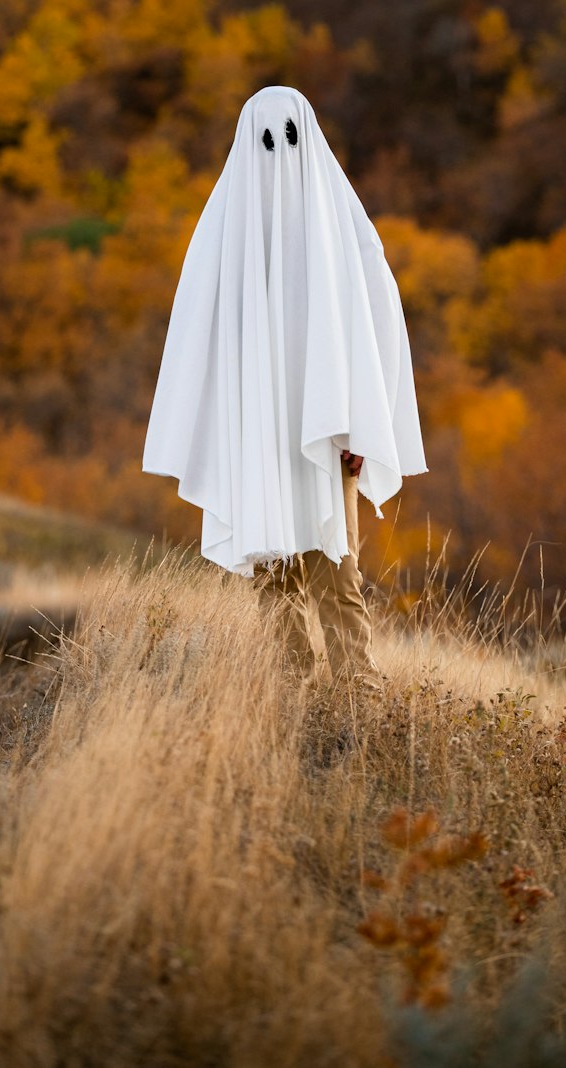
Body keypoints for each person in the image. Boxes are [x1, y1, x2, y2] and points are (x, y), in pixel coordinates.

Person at [142, 85, 425, 684]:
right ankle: (294, 696)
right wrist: (222, 429)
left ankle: (361, 697)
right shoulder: (224, 233)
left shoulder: (343, 227)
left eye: (290, 138)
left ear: (311, 138)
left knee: (336, 568)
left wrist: (359, 421)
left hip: (328, 434)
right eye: (265, 141)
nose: (278, 152)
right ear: (247, 145)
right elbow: (200, 333)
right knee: (273, 574)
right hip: (255, 430)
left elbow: (376, 322)